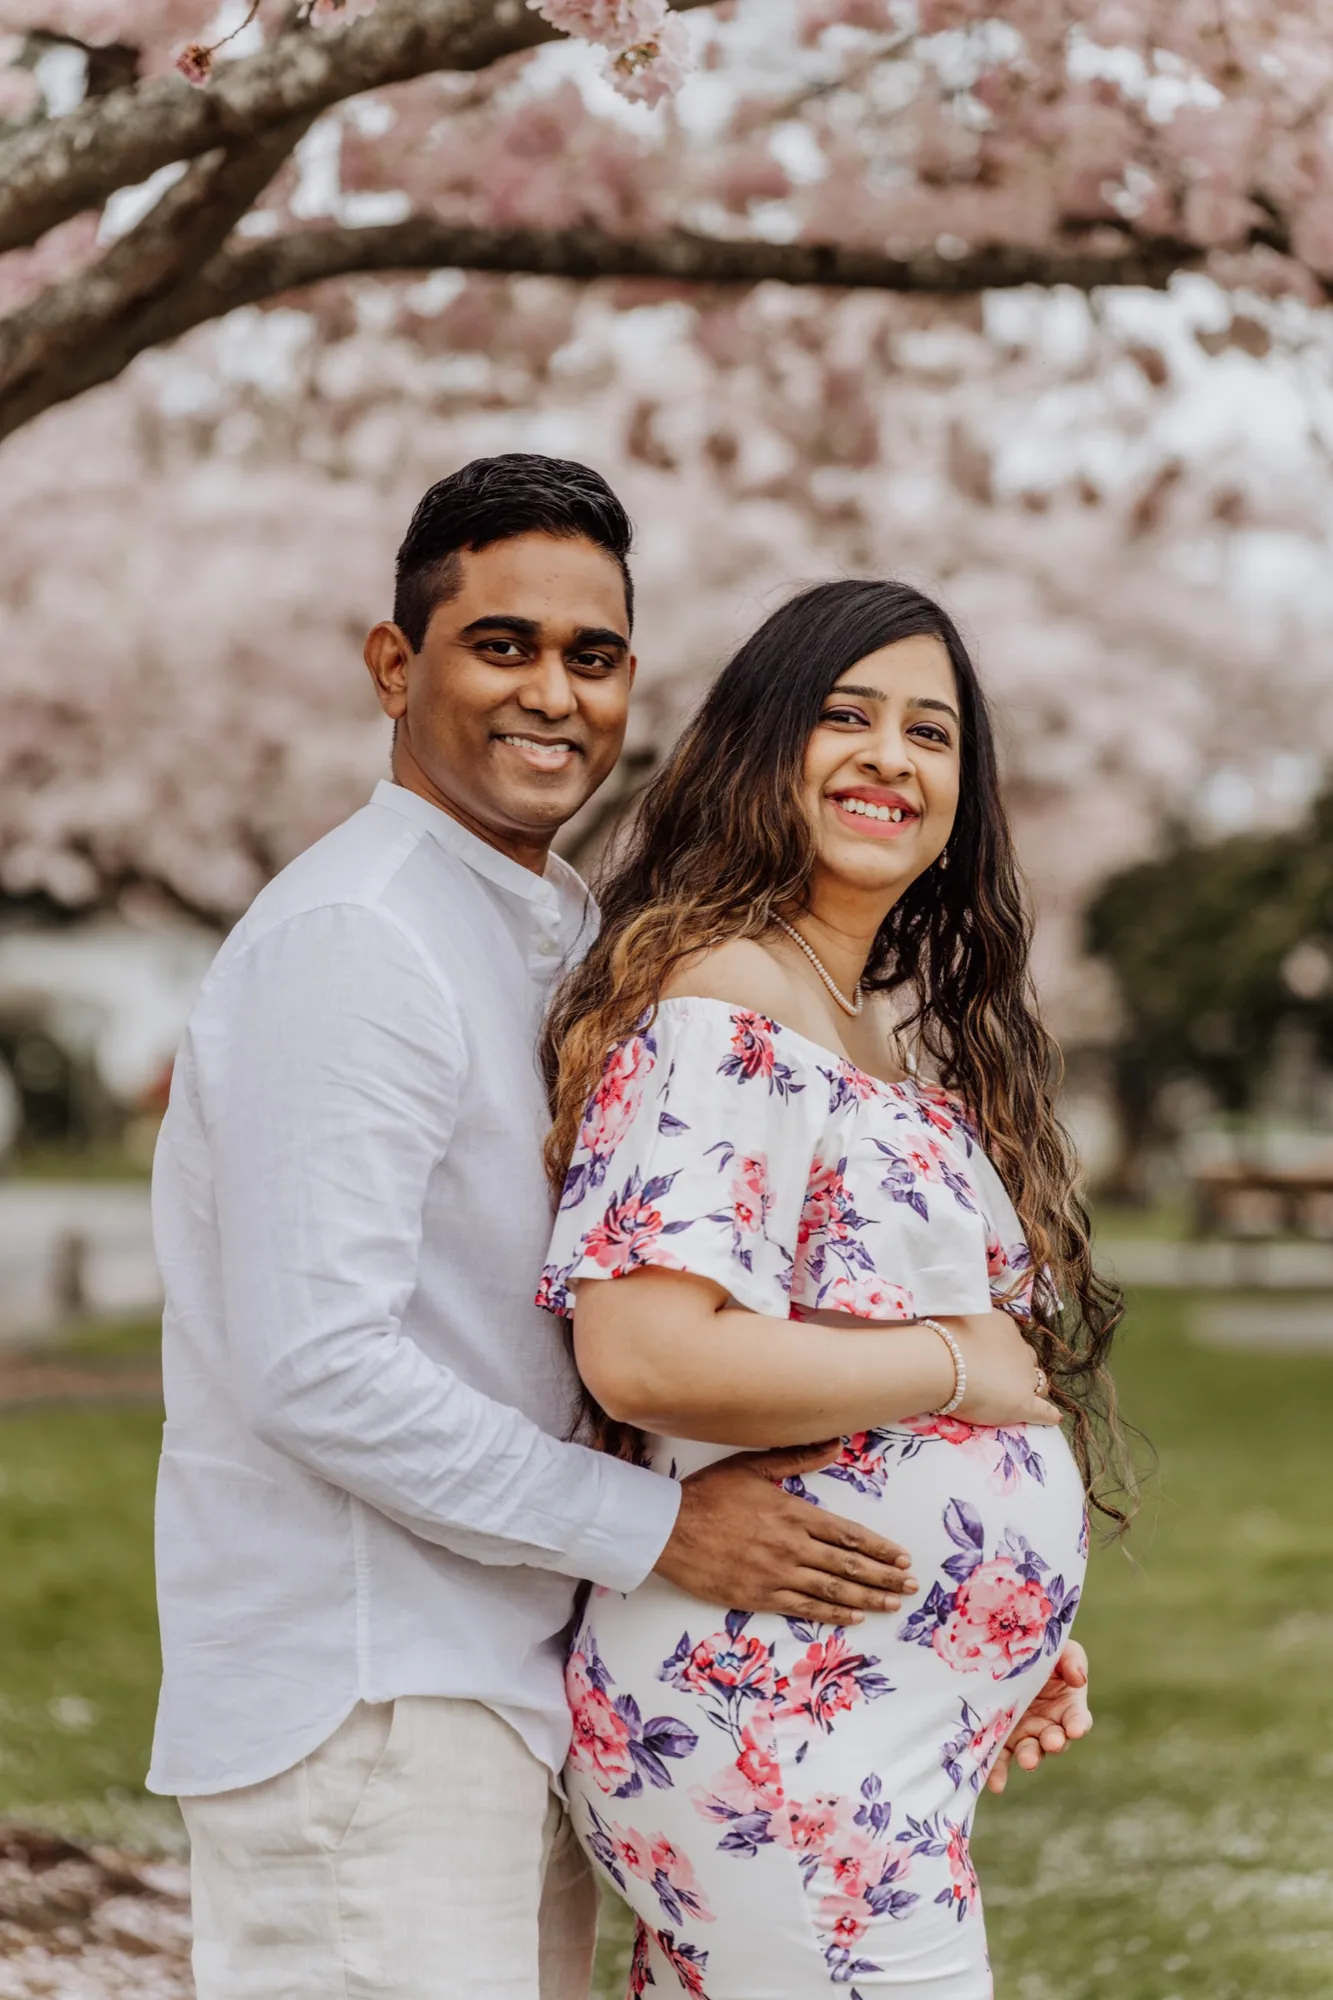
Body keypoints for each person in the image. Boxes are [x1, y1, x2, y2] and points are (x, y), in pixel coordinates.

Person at [148, 458, 960, 2000]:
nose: (552, 695)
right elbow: (319, 1368)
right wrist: (658, 1532)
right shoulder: (361, 935)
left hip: (512, 1682)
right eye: (500, 644)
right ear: (396, 664)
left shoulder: (555, 929)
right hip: (371, 1697)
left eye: (590, 658)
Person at [539, 578, 1126, 1998]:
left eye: (932, 734)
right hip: (772, 1733)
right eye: (845, 716)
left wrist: (989, 1631)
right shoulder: (723, 1002)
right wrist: (952, 1367)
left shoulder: (856, 1022)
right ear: (760, 748)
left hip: (843, 1719)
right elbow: (649, 1355)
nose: (891, 758)